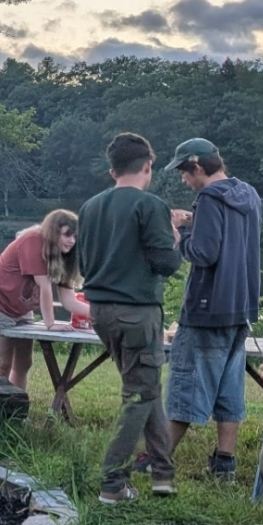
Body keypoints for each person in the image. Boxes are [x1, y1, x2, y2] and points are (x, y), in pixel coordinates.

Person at [139, 138, 261, 481]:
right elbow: (232, 241)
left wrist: (180, 233)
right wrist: (199, 222)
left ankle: (157, 459)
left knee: (184, 385)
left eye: (183, 172)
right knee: (228, 389)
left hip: (207, 310)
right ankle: (225, 463)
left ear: (197, 167)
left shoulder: (208, 197)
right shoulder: (248, 194)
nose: (182, 180)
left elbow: (204, 253)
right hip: (240, 308)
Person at [78, 132, 181, 504]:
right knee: (138, 395)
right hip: (138, 314)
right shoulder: (150, 205)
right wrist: (175, 235)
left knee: (147, 387)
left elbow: (85, 264)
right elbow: (165, 264)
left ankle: (163, 476)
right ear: (148, 166)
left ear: (112, 170)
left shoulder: (90, 207)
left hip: (100, 312)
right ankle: (112, 483)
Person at [0, 210, 91, 390]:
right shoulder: (33, 240)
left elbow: (68, 300)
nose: (72, 241)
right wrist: (50, 324)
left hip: (21, 308)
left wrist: (99, 313)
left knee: (23, 363)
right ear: (53, 232)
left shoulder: (65, 255)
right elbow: (45, 287)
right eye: (67, 235)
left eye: (75, 237)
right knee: (2, 364)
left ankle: (17, 410)